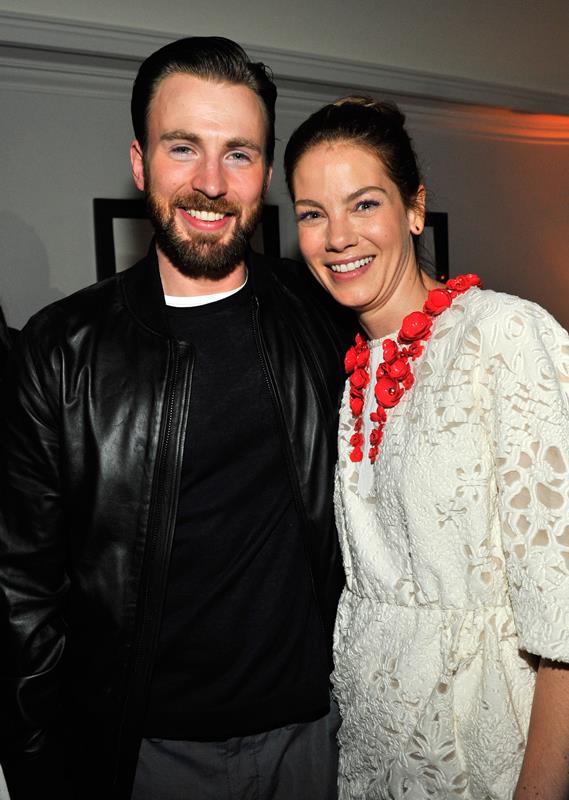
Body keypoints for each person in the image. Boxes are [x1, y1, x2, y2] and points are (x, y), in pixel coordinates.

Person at [0, 37, 351, 800]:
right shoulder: (60, 352)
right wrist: (38, 767)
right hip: (145, 757)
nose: (209, 183)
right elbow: (21, 592)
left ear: (264, 173)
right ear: (139, 163)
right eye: (182, 147)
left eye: (239, 154)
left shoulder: (322, 317)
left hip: (316, 738)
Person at [284, 96, 569, 800]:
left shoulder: (502, 337)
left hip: (484, 747)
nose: (337, 236)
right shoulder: (354, 369)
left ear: (413, 208)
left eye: (364, 203)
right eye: (312, 213)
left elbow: (562, 616)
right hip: (372, 751)